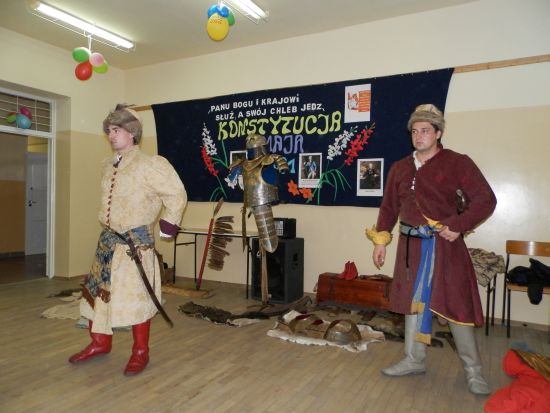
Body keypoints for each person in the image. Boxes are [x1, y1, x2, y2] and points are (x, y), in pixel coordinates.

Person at [366, 104, 496, 395]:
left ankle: (474, 371)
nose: (419, 136)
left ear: (438, 133)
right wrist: (380, 241)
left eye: (425, 130)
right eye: (415, 131)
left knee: (457, 306)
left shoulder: (458, 163)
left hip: (445, 247)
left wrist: (458, 225)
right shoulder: (400, 167)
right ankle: (413, 360)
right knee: (412, 305)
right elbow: (389, 208)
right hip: (410, 249)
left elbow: (486, 200)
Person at [69, 104, 187, 376]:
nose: (111, 135)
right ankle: (99, 343)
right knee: (97, 295)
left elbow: (176, 195)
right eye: (109, 131)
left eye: (116, 130)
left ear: (131, 132)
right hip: (107, 243)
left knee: (136, 299)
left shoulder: (151, 165)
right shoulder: (107, 165)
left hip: (135, 246)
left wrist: (168, 225)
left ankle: (140, 351)